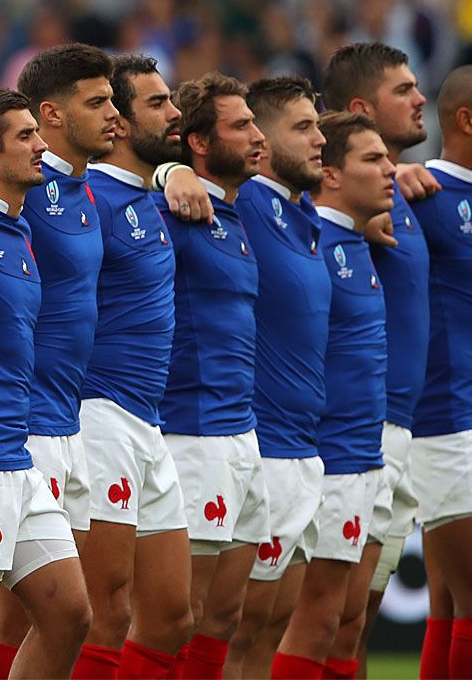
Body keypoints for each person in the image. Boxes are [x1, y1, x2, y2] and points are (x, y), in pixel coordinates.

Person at [0, 87, 89, 680]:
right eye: (26, 137)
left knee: (70, 614)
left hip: (22, 450)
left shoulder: (19, 226)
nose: (42, 146)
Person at [68, 54, 193, 680]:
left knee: (173, 618)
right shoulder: (88, 197)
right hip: (100, 413)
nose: (174, 113)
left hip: (150, 420)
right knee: (103, 611)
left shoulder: (157, 196)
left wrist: (172, 169)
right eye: (156, 103)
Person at [270, 111, 395, 680]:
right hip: (327, 455)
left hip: (366, 454)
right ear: (332, 175)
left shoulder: (351, 238)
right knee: (309, 622)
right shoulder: (309, 241)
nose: (390, 169)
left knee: (345, 623)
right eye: (373, 159)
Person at [321, 43, 432, 676]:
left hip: (396, 430)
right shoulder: (329, 205)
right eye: (405, 90)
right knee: (320, 619)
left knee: (354, 622)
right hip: (351, 431)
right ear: (361, 107)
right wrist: (176, 173)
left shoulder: (402, 192)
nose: (421, 100)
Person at [158, 72, 271, 680]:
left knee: (225, 617)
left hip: (242, 430)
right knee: (180, 615)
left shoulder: (238, 210)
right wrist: (167, 173)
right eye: (240, 125)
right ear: (198, 142)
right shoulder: (174, 208)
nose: (258, 135)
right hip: (192, 431)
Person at [225, 77, 330, 680]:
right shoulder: (252, 200)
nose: (320, 139)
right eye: (304, 128)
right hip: (263, 449)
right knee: (234, 630)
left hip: (304, 450)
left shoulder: (300, 210)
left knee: (273, 628)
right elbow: (184, 163)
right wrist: (172, 175)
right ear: (261, 142)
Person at [407, 64, 472, 680]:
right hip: (449, 421)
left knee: (450, 602)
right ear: (466, 121)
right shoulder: (425, 193)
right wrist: (393, 173)